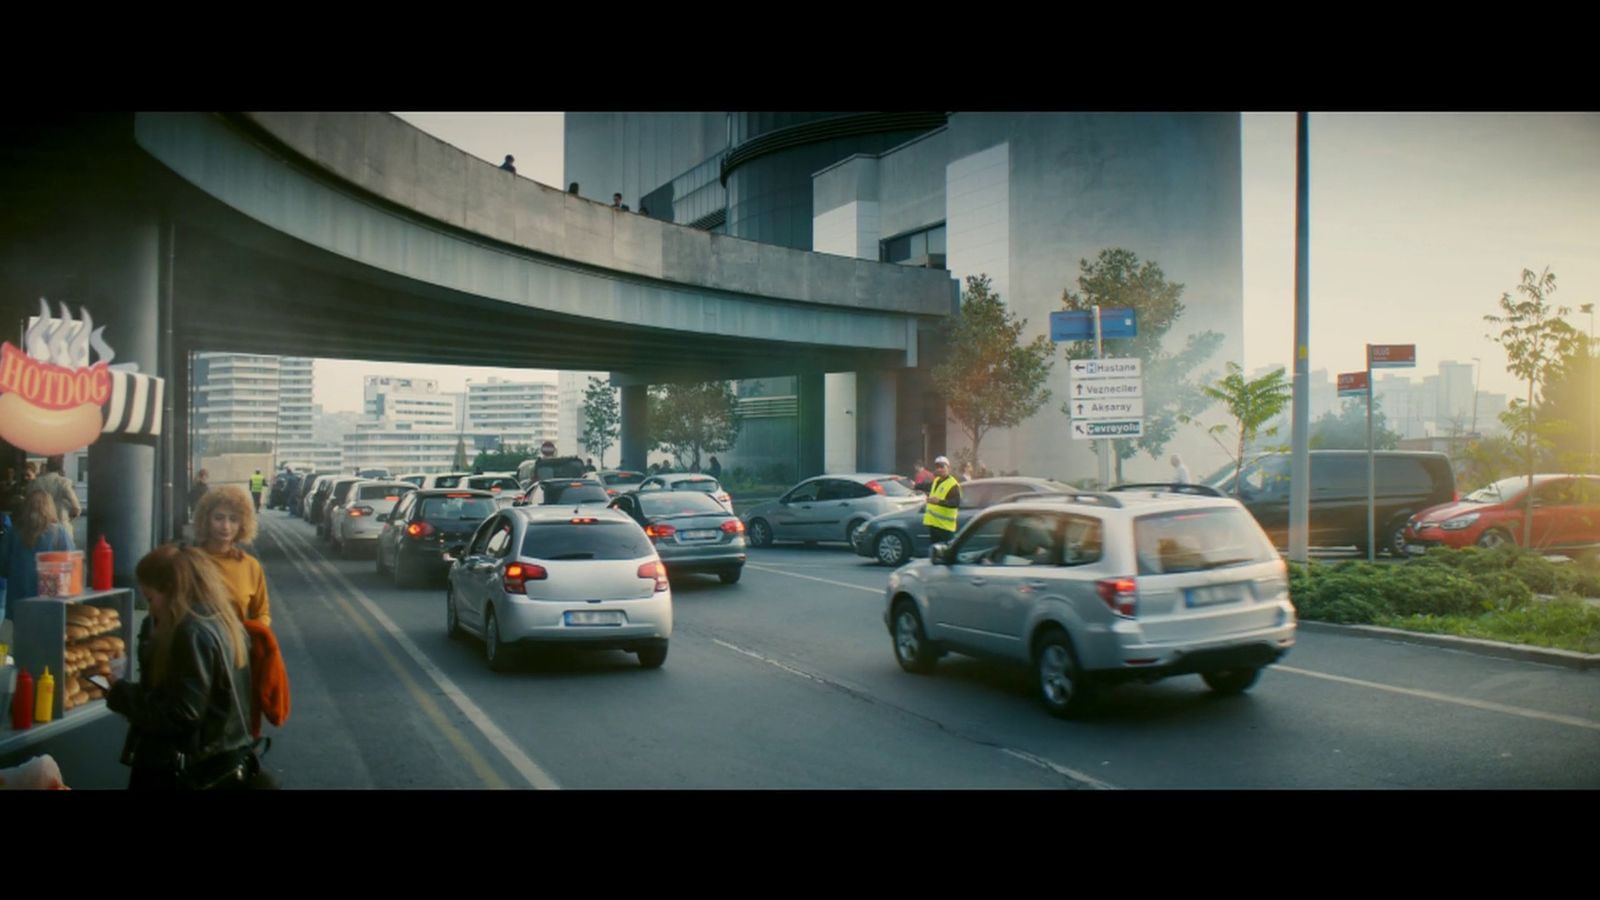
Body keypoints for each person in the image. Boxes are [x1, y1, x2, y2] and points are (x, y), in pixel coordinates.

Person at [105, 544, 254, 790]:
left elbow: (180, 714)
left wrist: (119, 694)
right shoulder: (222, 621)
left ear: (172, 591)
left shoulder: (189, 633)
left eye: (151, 598)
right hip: (223, 760)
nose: (150, 609)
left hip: (185, 771)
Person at [192, 486, 271, 626]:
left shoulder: (250, 566)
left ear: (242, 524)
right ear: (205, 520)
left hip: (238, 645)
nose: (226, 526)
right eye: (218, 518)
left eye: (233, 519)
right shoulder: (188, 563)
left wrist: (250, 633)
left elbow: (262, 614)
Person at [0, 491, 74, 616]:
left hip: (19, 597)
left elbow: (3, 566)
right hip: (50, 598)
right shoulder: (58, 532)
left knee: (22, 633)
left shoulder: (14, 532)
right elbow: (71, 564)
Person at [922, 456, 962, 552]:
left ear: (949, 468)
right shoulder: (937, 480)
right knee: (935, 553)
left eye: (942, 466)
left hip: (945, 528)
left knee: (945, 554)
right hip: (934, 525)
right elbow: (928, 486)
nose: (939, 469)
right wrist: (915, 485)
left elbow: (955, 503)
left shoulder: (953, 484)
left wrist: (939, 502)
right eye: (937, 467)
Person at [28, 455, 80, 524]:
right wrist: (68, 517)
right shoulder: (63, 482)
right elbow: (76, 508)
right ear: (61, 465)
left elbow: (28, 503)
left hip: (40, 526)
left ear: (48, 465)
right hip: (60, 523)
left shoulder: (35, 483)